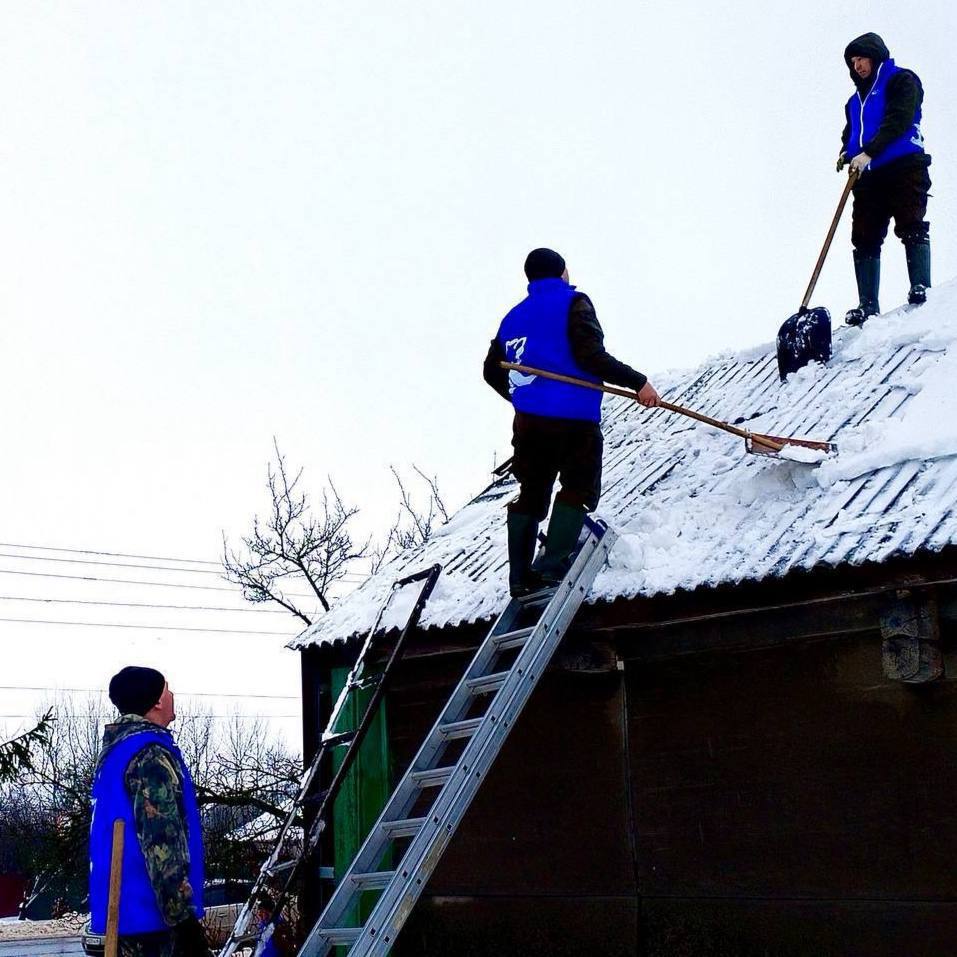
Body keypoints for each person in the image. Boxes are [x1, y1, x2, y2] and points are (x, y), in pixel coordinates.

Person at [484, 248, 659, 597]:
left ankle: (520, 578)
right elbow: (590, 356)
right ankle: (551, 567)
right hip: (574, 419)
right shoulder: (573, 303)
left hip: (529, 423)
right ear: (562, 271)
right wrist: (638, 382)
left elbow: (491, 371)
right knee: (578, 487)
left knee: (532, 492)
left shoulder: (511, 318)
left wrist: (523, 396)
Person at [89, 667, 208, 957]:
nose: (173, 695)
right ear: (157, 701)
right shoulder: (149, 756)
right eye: (168, 689)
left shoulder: (117, 752)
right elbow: (161, 841)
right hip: (153, 922)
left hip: (125, 913)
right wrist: (183, 921)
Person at [837, 33, 931, 325]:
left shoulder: (900, 80)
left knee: (910, 222)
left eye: (862, 59)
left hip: (904, 164)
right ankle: (867, 305)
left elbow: (898, 120)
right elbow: (852, 132)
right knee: (864, 235)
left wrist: (869, 152)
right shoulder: (854, 101)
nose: (857, 66)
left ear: (875, 56)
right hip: (868, 175)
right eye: (853, 62)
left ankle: (921, 286)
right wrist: (846, 152)